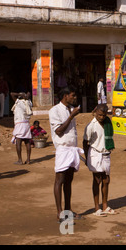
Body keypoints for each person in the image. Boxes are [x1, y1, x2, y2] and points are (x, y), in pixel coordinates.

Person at [49, 85, 84, 223]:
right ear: (65, 96)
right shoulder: (55, 110)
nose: (75, 98)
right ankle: (59, 212)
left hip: (72, 149)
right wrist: (71, 116)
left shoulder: (70, 110)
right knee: (60, 180)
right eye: (73, 95)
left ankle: (68, 210)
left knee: (69, 181)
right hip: (63, 150)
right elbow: (59, 131)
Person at [83, 104, 117, 217]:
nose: (101, 117)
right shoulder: (90, 126)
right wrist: (87, 158)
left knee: (106, 179)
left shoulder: (108, 123)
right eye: (99, 115)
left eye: (103, 115)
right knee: (97, 179)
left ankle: (105, 206)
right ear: (95, 112)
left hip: (106, 154)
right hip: (95, 154)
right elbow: (85, 142)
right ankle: (97, 207)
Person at [10, 92, 33, 165]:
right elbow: (29, 94)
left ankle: (20, 160)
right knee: (27, 142)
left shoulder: (19, 102)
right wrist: (26, 95)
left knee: (18, 142)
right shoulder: (29, 102)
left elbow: (11, 94)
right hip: (26, 124)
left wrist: (20, 94)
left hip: (20, 124)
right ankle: (28, 160)